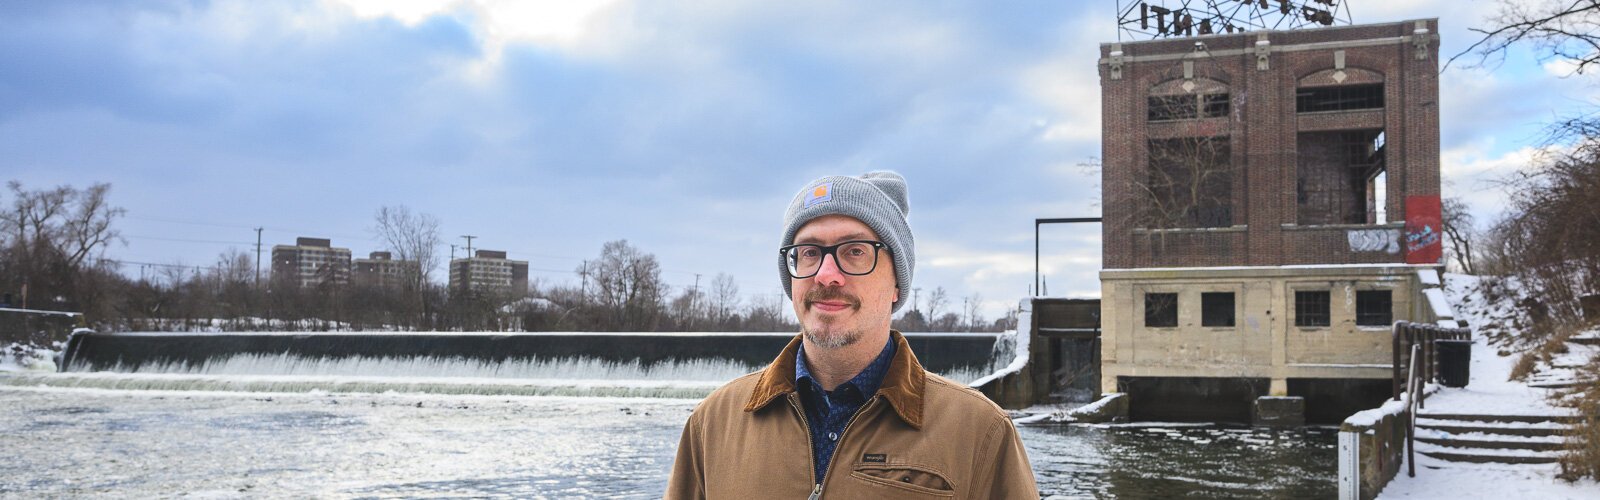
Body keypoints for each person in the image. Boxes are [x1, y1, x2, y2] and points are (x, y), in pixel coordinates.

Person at [666, 171, 1037, 499]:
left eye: (856, 251)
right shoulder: (713, 424)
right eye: (809, 252)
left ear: (896, 283)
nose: (827, 275)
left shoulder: (980, 433)